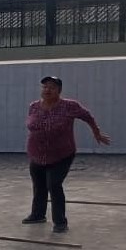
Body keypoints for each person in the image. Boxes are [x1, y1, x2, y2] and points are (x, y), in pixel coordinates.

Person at [23, 76, 111, 232]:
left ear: (59, 90)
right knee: (39, 185)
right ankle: (38, 215)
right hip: (36, 154)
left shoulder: (70, 106)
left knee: (54, 184)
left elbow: (87, 116)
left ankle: (60, 222)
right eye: (44, 87)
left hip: (61, 154)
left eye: (52, 87)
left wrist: (96, 132)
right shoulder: (34, 106)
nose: (47, 90)